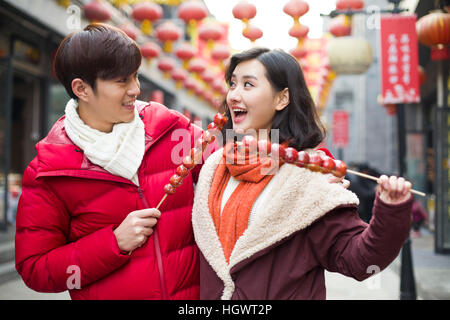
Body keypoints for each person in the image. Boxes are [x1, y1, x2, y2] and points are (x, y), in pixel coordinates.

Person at [191, 47, 413, 300]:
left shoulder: (309, 176)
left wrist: (391, 212)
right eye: (233, 84)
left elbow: (358, 260)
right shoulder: (215, 169)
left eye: (248, 85)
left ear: (282, 99)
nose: (234, 96)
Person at [15, 23, 205, 300]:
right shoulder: (48, 173)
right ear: (82, 89)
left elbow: (229, 160)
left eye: (135, 77)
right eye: (121, 81)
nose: (135, 89)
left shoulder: (170, 130)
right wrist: (112, 243)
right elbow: (36, 270)